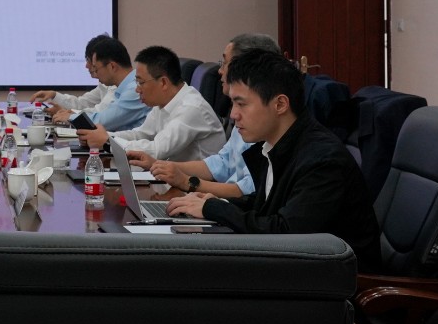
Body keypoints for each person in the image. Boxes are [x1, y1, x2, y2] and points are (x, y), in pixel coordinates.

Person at [166, 49, 381, 270]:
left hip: (335, 279)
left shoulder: (323, 160)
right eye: (233, 104)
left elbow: (286, 234)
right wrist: (215, 203)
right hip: (299, 269)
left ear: (280, 104)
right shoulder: (275, 145)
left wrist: (215, 209)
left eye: (241, 104)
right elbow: (267, 207)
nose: (233, 114)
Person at [145, 32, 280, 200]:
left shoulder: (263, 122)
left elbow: (247, 191)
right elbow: (222, 163)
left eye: (224, 63)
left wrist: (187, 183)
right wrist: (165, 166)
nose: (220, 71)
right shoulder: (243, 117)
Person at [82, 45, 224, 163]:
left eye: (141, 82)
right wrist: (102, 137)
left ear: (163, 82)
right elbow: (141, 134)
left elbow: (157, 150)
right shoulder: (162, 103)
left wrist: (107, 142)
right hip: (170, 177)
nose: (137, 89)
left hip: (196, 185)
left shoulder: (191, 108)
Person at [49, 36, 147, 133]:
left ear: (112, 66)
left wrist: (71, 117)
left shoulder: (134, 89)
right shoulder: (124, 88)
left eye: (96, 69)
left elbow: (104, 121)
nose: (96, 74)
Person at [31, 33, 115, 117]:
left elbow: (100, 114)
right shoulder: (104, 84)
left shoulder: (116, 87)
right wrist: (54, 94)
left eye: (90, 61)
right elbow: (81, 104)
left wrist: (69, 114)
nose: (86, 66)